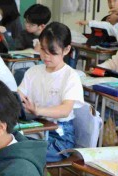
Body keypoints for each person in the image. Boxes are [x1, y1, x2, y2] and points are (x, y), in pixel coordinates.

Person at [18, 22, 84, 162]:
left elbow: (65, 110)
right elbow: (19, 96)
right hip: (36, 128)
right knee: (8, 145)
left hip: (60, 137)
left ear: (66, 50)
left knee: (20, 152)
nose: (46, 56)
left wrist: (38, 110)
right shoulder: (33, 71)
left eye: (52, 52)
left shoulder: (70, 76)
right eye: (43, 50)